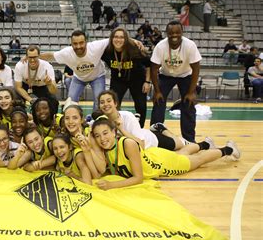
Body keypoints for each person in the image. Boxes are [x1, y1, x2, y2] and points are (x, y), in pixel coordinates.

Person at [89, 117, 241, 190]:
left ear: (114, 132)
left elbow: (138, 178)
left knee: (196, 161)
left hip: (161, 164)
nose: (102, 139)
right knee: (181, 154)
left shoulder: (127, 144)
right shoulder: (106, 149)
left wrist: (111, 185)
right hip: (155, 156)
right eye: (97, 136)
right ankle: (205, 144)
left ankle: (228, 149)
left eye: (105, 133)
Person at [96, 90, 213, 151]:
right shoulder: (101, 122)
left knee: (182, 145)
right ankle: (160, 128)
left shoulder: (127, 117)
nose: (105, 104)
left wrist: (121, 130)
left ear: (115, 103)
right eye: (102, 102)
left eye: (109, 101)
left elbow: (141, 145)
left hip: (151, 142)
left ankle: (205, 145)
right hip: (141, 136)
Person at [150, 20, 201, 143]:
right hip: (166, 75)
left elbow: (196, 69)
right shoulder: (160, 46)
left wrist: (191, 92)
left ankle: (189, 140)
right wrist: (156, 91)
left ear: (182, 32)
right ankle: (155, 137)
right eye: (171, 33)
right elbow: (153, 70)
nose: (174, 35)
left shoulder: (190, 45)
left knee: (188, 104)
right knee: (158, 101)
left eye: (177, 32)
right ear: (167, 33)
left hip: (186, 75)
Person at [38, 30, 109, 111]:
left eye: (81, 43)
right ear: (71, 44)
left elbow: (114, 38)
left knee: (99, 99)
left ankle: (96, 120)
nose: (78, 46)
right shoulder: (67, 53)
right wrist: (32, 56)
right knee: (70, 102)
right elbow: (51, 56)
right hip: (79, 78)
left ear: (86, 42)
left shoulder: (95, 46)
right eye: (75, 43)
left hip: (97, 76)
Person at [101, 27, 151, 127]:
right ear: (111, 38)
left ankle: (139, 128)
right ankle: (114, 126)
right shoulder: (107, 51)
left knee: (141, 105)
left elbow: (148, 64)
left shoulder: (134, 49)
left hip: (137, 79)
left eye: (122, 37)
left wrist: (147, 82)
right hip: (118, 80)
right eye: (116, 37)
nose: (118, 40)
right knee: (113, 104)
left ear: (126, 39)